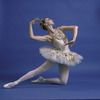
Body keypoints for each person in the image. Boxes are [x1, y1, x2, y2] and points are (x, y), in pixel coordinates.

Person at [3, 17, 83, 88]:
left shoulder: (60, 29)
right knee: (39, 70)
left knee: (63, 82)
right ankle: (15, 82)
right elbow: (32, 37)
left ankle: (43, 80)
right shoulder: (48, 37)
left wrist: (74, 39)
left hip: (67, 56)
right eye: (48, 19)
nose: (51, 19)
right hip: (58, 55)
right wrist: (30, 24)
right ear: (45, 24)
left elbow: (75, 27)